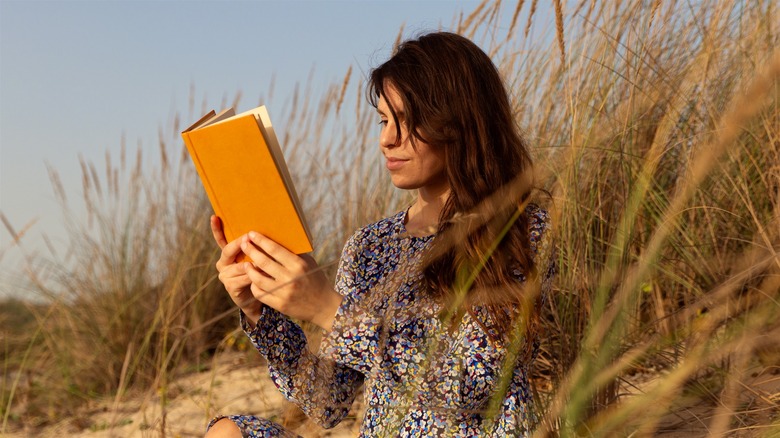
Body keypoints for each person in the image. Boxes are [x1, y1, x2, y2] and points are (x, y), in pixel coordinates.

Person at [205, 31, 555, 438]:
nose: (386, 139)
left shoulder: (520, 230)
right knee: (228, 432)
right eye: (384, 120)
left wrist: (329, 309)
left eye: (407, 121)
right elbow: (329, 403)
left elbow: (469, 387)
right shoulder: (370, 246)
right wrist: (258, 312)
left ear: (459, 121)